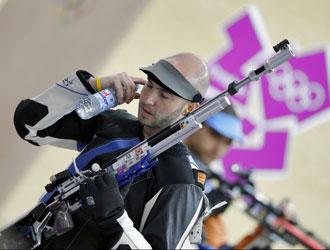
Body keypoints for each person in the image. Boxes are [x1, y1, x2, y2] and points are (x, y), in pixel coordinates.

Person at [13, 53, 210, 249]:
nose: (148, 99)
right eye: (150, 85)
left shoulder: (180, 180)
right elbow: (29, 125)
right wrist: (92, 86)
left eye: (165, 95)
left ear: (190, 108)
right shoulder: (114, 124)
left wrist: (115, 219)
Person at [184, 105, 243, 249]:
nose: (219, 148)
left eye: (228, 142)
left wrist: (261, 235)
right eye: (215, 134)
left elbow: (212, 241)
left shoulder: (210, 178)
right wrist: (207, 206)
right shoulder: (167, 155)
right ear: (196, 122)